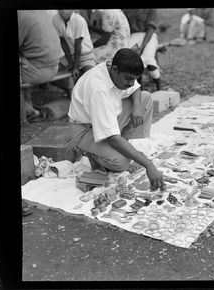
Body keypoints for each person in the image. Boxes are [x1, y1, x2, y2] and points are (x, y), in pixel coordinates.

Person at [66, 48, 165, 190]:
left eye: (134, 78)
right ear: (115, 69)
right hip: (84, 129)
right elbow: (112, 138)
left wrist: (136, 106)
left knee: (144, 98)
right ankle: (94, 154)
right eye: (129, 78)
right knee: (122, 162)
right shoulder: (98, 89)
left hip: (105, 117)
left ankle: (120, 146)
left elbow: (136, 89)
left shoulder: (115, 70)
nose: (131, 83)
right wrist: (148, 164)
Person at [18, 10, 64, 118]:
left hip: (39, 72)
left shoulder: (21, 14)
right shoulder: (41, 12)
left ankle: (26, 111)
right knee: (24, 61)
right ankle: (29, 108)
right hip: (54, 67)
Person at [123, 9, 162, 91]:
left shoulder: (151, 10)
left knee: (148, 59)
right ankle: (139, 89)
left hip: (148, 35)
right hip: (133, 36)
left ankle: (160, 88)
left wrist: (141, 48)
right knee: (132, 59)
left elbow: (151, 29)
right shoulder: (126, 10)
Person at [52, 10, 97, 81]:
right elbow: (63, 42)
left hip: (85, 56)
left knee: (89, 77)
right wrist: (71, 63)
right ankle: (67, 88)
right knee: (52, 70)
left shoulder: (79, 20)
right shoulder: (56, 19)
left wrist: (75, 67)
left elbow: (78, 46)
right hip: (70, 56)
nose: (64, 11)